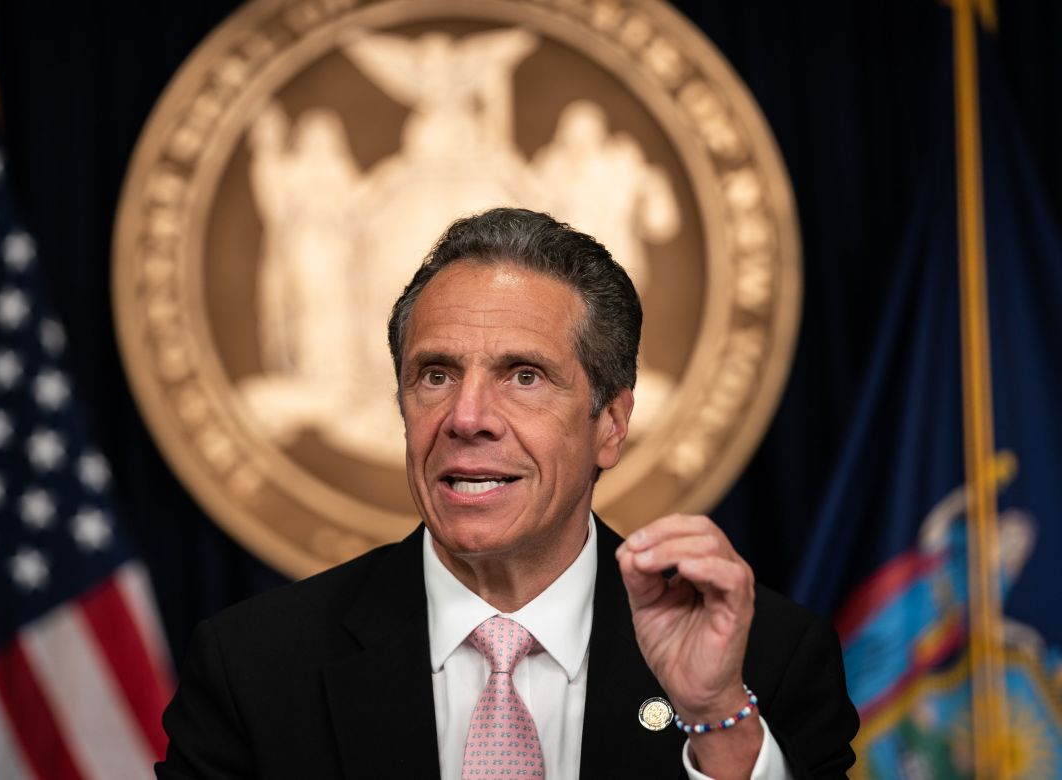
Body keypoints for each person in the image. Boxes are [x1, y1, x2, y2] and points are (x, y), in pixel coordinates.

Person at [156, 208, 858, 779]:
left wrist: (714, 720)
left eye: (524, 376)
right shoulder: (254, 667)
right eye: (435, 375)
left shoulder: (766, 658)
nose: (467, 418)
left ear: (610, 426)